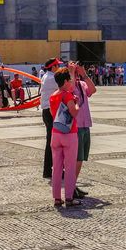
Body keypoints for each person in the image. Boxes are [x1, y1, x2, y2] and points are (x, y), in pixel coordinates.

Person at [48, 69, 82, 207]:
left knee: (56, 168)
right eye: (70, 81)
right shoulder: (68, 95)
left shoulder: (53, 96)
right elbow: (74, 113)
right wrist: (77, 103)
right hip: (69, 134)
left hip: (55, 134)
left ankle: (57, 198)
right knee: (69, 167)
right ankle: (68, 197)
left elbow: (53, 114)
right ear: (66, 81)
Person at [69, 62, 96, 199]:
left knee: (81, 158)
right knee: (77, 159)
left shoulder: (82, 84)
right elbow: (70, 89)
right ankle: (70, 187)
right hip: (76, 125)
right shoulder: (69, 83)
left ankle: (72, 186)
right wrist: (72, 73)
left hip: (85, 124)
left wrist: (84, 74)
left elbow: (93, 90)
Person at [40, 59, 60, 179]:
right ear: (53, 67)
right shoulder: (52, 78)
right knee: (52, 142)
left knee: (52, 141)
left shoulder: (47, 76)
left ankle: (49, 169)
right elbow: (67, 86)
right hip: (50, 112)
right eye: (57, 65)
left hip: (48, 111)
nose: (59, 67)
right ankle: (48, 170)